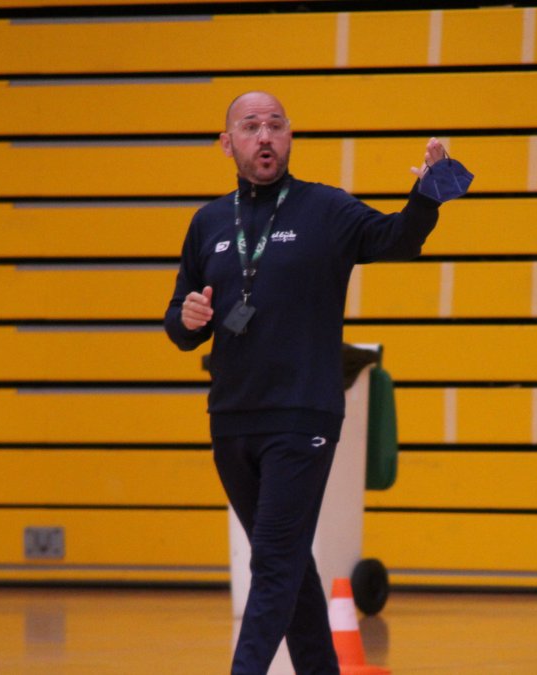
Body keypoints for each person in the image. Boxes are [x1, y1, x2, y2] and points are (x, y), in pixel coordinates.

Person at [164, 91, 453, 675]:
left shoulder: (324, 210)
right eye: (250, 127)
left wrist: (428, 193)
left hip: (302, 420)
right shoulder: (209, 223)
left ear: (290, 137)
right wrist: (187, 318)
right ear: (227, 143)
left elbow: (398, 240)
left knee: (271, 565)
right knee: (290, 568)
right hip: (232, 421)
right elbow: (179, 320)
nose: (264, 136)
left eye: (276, 125)